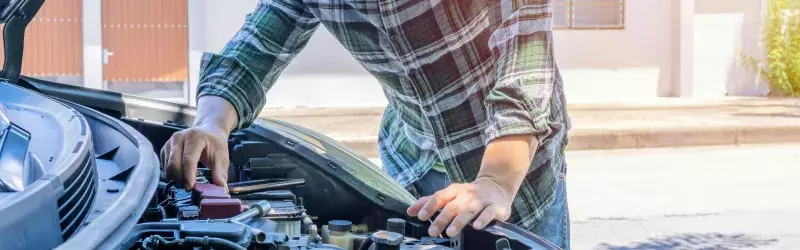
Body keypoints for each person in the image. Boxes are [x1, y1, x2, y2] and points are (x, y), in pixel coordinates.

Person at [160, 0, 571, 248]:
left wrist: (497, 181)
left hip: (514, 166)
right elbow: (255, 48)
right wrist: (212, 124)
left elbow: (526, 57)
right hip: (412, 161)